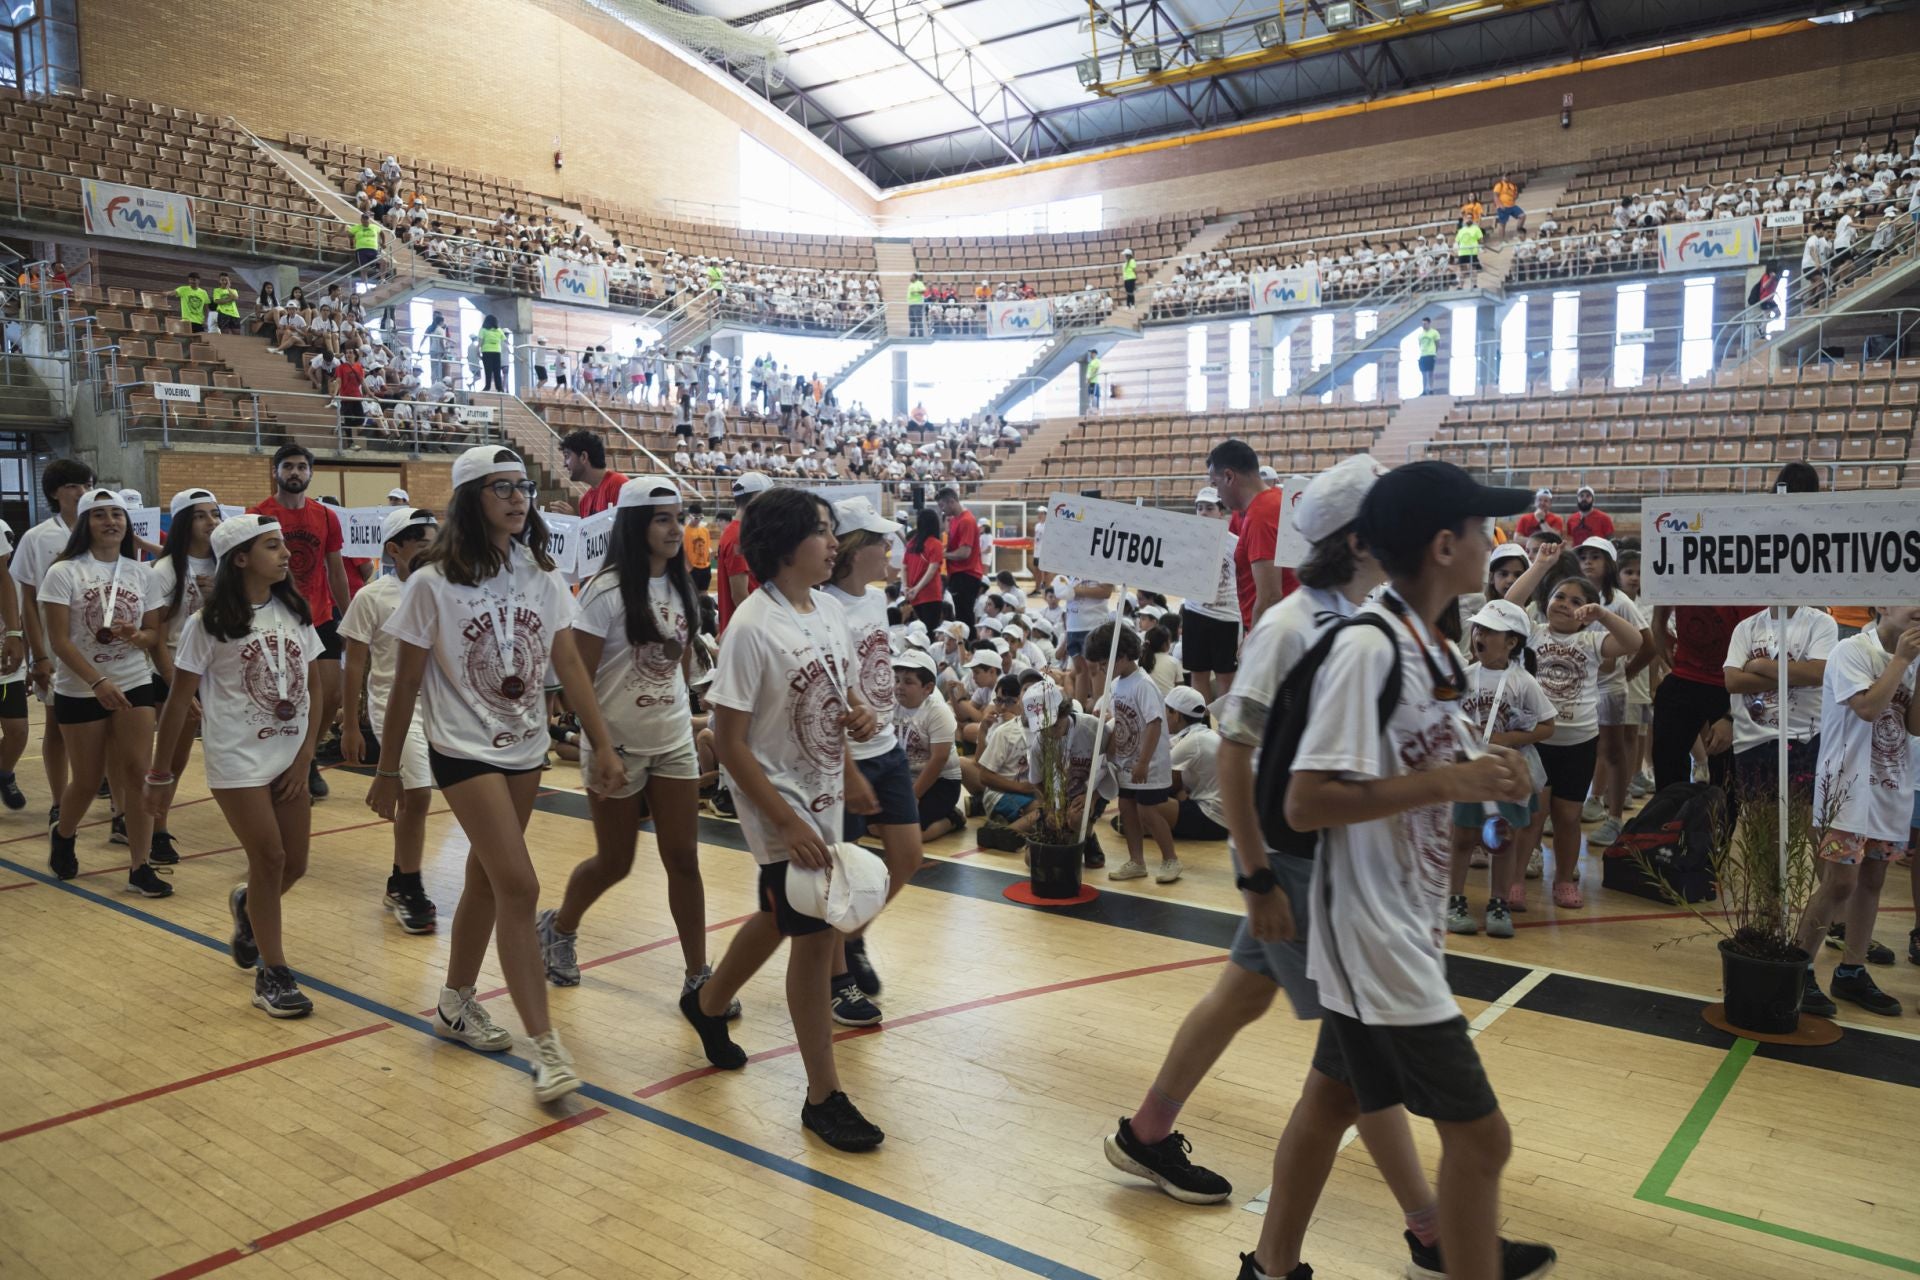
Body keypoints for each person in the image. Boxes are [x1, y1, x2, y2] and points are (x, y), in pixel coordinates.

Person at [1239, 460, 1554, 1280]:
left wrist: (1486, 767)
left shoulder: (1428, 646)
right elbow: (1307, 800)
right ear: (1445, 545)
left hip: (1397, 921)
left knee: (1335, 1098)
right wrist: (1450, 783)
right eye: (1482, 529)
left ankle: (1269, 1268)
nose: (1494, 542)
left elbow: (1421, 759)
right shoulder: (1369, 649)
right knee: (1482, 1141)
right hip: (1373, 937)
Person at [367, 445, 625, 1103]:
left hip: (525, 747)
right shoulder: (431, 582)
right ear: (470, 499)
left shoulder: (541, 573)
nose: (517, 498)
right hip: (461, 749)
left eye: (522, 487)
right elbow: (404, 685)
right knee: (520, 884)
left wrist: (601, 743)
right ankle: (547, 1047)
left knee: (486, 879)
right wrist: (388, 767)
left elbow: (569, 665)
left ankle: (455, 1002)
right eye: (501, 487)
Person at [676, 486, 891, 1153]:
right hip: (780, 807)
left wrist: (855, 740)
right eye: (822, 531)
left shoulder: (826, 609)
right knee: (815, 936)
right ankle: (822, 1096)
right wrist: (786, 824)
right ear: (785, 544)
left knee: (780, 914)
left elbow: (836, 696)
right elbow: (728, 741)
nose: (834, 543)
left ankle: (708, 1004)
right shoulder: (750, 628)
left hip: (823, 798)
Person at [537, 477, 722, 1006]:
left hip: (672, 742)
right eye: (663, 519)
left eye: (678, 517)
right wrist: (601, 747)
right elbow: (577, 677)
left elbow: (677, 667)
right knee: (615, 862)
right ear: (637, 525)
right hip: (614, 745)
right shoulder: (605, 591)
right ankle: (558, 927)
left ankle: (698, 975)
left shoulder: (682, 586)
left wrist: (689, 711)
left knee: (683, 859)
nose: (675, 528)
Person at [148, 515, 326, 1015]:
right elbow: (178, 703)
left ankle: (249, 906)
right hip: (237, 758)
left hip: (290, 757)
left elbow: (314, 688)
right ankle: (273, 974)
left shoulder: (294, 610)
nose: (286, 553)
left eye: (283, 545)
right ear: (241, 559)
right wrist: (159, 774)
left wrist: (306, 757)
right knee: (269, 858)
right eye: (272, 546)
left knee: (295, 865)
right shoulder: (207, 624)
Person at [820, 495, 927, 1020]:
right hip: (845, 757)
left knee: (907, 857)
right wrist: (845, 763)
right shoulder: (823, 607)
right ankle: (836, 979)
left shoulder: (876, 599)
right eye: (881, 541)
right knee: (840, 873)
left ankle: (851, 935)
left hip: (885, 748)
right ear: (855, 548)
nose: (890, 548)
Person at [1794, 606, 1920, 1019]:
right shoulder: (1852, 650)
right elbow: (1867, 708)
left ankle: (1851, 970)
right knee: (1840, 883)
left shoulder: (1914, 660)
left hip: (1889, 787)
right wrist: (1901, 661)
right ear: (1881, 604)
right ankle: (1798, 969)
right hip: (1847, 787)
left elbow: (1915, 726)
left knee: (1873, 879)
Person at [40, 489, 167, 897]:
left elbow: (153, 635)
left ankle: (140, 866)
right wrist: (97, 681)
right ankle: (64, 834)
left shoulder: (143, 573)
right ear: (85, 523)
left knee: (138, 772)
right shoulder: (64, 572)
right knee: (88, 778)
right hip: (80, 688)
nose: (111, 521)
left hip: (133, 681)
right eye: (100, 515)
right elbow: (60, 641)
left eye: (118, 514)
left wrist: (137, 636)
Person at [1505, 543, 1645, 908]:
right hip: (1536, 742)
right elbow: (1509, 603)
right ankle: (1514, 880)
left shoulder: (1592, 640)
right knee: (1533, 816)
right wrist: (1539, 566)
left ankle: (1564, 879)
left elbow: (1634, 640)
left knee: (1568, 817)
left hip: (1578, 744)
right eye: (1559, 597)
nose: (1564, 604)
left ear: (1585, 614)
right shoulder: (1533, 633)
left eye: (1575, 601)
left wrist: (1602, 614)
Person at [338, 507, 441, 935]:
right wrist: (350, 724)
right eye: (424, 544)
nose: (434, 551)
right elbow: (354, 664)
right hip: (392, 706)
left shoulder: (446, 588)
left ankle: (400, 880)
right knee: (418, 796)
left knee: (417, 798)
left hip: (439, 708)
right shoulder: (372, 596)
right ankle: (409, 887)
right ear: (394, 549)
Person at [1447, 599, 1556, 938]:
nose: (1479, 635)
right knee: (1463, 837)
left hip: (1507, 774)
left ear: (1511, 642)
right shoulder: (1464, 678)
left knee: (1503, 839)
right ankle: (1453, 900)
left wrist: (1509, 738)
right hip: (1470, 773)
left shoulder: (1523, 682)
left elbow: (1548, 726)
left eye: (1489, 631)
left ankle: (1499, 902)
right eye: (1478, 629)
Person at [250, 444, 350, 802]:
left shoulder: (326, 516)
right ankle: (277, 763)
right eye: (288, 466)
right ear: (276, 471)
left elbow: (336, 570)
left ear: (310, 473)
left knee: (331, 694)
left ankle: (306, 758)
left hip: (318, 617)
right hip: (274, 619)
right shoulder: (258, 514)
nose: (295, 472)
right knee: (282, 696)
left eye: (302, 467)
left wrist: (349, 618)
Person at [12, 458, 93, 829]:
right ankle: (60, 801)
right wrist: (38, 655)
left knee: (107, 730)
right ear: (54, 493)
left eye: (86, 485)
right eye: (73, 486)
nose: (81, 492)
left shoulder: (104, 530)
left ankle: (116, 804)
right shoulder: (38, 537)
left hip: (101, 649)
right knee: (57, 726)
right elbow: (28, 602)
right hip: (56, 649)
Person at [145, 487, 221, 866]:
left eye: (215, 513)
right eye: (200, 515)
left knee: (184, 756)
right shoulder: (164, 571)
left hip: (214, 673)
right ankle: (156, 829)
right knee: (169, 756)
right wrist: (178, 688)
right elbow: (156, 639)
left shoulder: (229, 566)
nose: (211, 521)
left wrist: (219, 595)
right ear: (182, 523)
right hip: (173, 671)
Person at [1084, 621, 1179, 884]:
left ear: (1123, 656)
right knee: (1126, 809)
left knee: (1148, 812)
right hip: (1126, 763)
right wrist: (1110, 754)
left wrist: (1144, 762)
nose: (1102, 669)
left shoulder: (1143, 684)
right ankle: (1137, 861)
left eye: (1105, 663)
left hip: (1148, 764)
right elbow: (1121, 722)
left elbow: (1154, 724)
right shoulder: (1117, 684)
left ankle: (1170, 859)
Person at [1722, 604, 1837, 808]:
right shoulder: (1746, 627)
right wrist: (1794, 676)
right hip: (1753, 739)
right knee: (1755, 817)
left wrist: (1759, 665)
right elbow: (1733, 681)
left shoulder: (1820, 622)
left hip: (1804, 737)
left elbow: (1817, 673)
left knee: (1803, 814)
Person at [1648, 602, 1758, 798]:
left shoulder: (1748, 597)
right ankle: (1670, 816)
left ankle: (1720, 817)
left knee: (1726, 779)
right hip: (1686, 674)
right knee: (1667, 772)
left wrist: (1732, 716)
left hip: (1731, 682)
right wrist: (1658, 624)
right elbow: (1661, 590)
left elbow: (1760, 651)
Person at [1206, 439, 1286, 630]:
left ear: (1229, 477)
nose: (1218, 494)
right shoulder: (1276, 500)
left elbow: (1270, 597)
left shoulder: (1261, 515)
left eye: (1215, 485)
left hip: (1271, 631)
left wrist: (1254, 640)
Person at [891, 650, 964, 841]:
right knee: (874, 825)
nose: (899, 686)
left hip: (941, 782)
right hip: (905, 778)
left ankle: (952, 819)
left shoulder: (938, 712)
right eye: (897, 680)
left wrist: (913, 796)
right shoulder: (890, 706)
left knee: (910, 835)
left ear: (928, 688)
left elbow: (939, 759)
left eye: (908, 682)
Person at [1182, 486, 1241, 703]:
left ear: (1221, 512)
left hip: (1226, 616)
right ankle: (1201, 720)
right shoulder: (1186, 540)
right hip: (1194, 613)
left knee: (1226, 677)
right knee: (1198, 674)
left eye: (1209, 508)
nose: (1203, 513)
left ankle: (1224, 722)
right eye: (1200, 508)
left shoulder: (1235, 543)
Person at [1163, 686, 1227, 841]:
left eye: (1166, 710)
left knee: (1146, 802)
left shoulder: (1192, 741)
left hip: (1213, 819)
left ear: (1176, 715)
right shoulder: (1203, 734)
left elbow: (1161, 783)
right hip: (1225, 819)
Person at [715, 471, 771, 636]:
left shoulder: (737, 533)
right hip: (747, 632)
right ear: (756, 499)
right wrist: (762, 630)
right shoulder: (738, 537)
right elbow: (739, 594)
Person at [937, 487, 984, 639]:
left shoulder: (966, 521)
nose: (942, 510)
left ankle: (970, 647)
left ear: (951, 502)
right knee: (962, 616)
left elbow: (964, 553)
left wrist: (943, 554)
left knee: (965, 618)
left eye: (942, 506)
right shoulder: (955, 520)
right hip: (959, 574)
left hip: (966, 574)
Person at [548, 430, 627, 517]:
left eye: (567, 456)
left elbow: (624, 524)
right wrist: (574, 519)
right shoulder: (584, 501)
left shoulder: (619, 484)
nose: (564, 464)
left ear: (583, 457)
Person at [902, 507, 945, 634]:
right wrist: (917, 588)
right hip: (930, 594)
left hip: (913, 595)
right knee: (930, 632)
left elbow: (904, 567)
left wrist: (905, 587)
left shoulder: (912, 543)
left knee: (917, 633)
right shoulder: (935, 544)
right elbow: (932, 570)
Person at [683, 503, 713, 593]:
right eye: (696, 517)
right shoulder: (684, 531)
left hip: (705, 567)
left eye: (700, 517)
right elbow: (682, 551)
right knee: (692, 593)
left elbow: (708, 547)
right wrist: (689, 567)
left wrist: (708, 562)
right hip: (692, 567)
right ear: (690, 516)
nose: (698, 520)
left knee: (704, 593)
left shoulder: (705, 530)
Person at [351, 212, 384, 280]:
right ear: (361, 220)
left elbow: (382, 233)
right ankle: (365, 284)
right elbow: (348, 234)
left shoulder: (374, 227)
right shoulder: (357, 227)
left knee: (383, 262)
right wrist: (336, 233)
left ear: (369, 219)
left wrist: (383, 243)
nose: (365, 221)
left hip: (373, 249)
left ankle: (382, 279)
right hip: (361, 250)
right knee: (364, 269)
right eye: (364, 219)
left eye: (367, 219)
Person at [1416, 317, 1440, 395]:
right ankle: (1424, 390)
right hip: (1423, 355)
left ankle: (1431, 389)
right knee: (1423, 373)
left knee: (1430, 372)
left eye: (1425, 324)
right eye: (1422, 324)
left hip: (1431, 354)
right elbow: (1420, 344)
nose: (1424, 325)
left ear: (1429, 323)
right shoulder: (1420, 335)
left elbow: (1437, 343)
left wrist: (1435, 352)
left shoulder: (1434, 333)